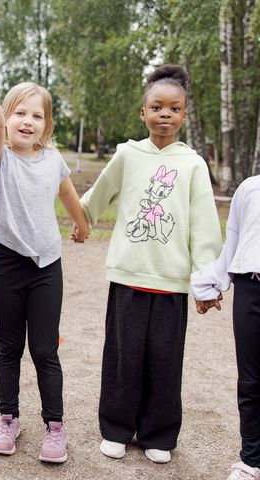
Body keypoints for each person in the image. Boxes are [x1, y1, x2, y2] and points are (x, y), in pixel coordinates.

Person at [79, 64, 222, 464]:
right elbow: (98, 195)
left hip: (172, 283)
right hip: (128, 276)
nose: (164, 114)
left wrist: (206, 282)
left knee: (164, 360)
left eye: (173, 108)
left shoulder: (193, 164)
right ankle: (117, 430)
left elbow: (204, 226)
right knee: (123, 358)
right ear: (143, 112)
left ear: (183, 115)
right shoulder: (128, 155)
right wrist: (80, 220)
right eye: (156, 107)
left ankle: (158, 434)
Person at [0, 79, 89, 462]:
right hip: (7, 266)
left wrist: (81, 222)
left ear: (47, 124)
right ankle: (8, 418)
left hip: (46, 268)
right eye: (19, 113)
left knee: (44, 349)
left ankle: (54, 426)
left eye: (37, 115)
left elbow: (68, 192)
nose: (28, 121)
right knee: (9, 345)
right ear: (4, 119)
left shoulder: (52, 159)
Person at [191, 175, 260, 480]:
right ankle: (250, 460)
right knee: (251, 381)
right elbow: (233, 239)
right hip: (252, 287)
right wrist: (211, 286)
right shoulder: (250, 188)